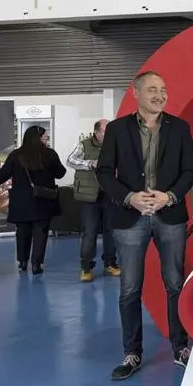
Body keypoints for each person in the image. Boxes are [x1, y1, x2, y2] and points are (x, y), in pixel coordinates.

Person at [96, 70, 193, 380]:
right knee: (129, 288)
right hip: (130, 217)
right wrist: (129, 198)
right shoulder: (117, 129)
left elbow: (189, 171)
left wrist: (169, 196)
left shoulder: (179, 128)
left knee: (175, 284)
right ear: (136, 93)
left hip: (170, 215)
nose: (159, 95)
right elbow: (104, 172)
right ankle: (132, 353)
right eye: (152, 89)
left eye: (163, 89)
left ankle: (180, 347)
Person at [0, 125, 66, 274]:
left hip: (21, 202)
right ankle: (36, 264)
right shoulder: (49, 154)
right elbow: (60, 173)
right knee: (41, 232)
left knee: (22, 231)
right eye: (45, 136)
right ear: (38, 138)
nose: (46, 138)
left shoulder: (16, 155)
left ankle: (22, 262)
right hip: (43, 200)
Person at [67, 119, 121, 282]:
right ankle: (86, 267)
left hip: (110, 195)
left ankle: (110, 263)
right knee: (89, 233)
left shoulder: (116, 144)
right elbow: (70, 160)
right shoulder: (84, 145)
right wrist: (90, 163)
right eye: (106, 131)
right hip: (90, 197)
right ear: (97, 132)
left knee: (111, 232)